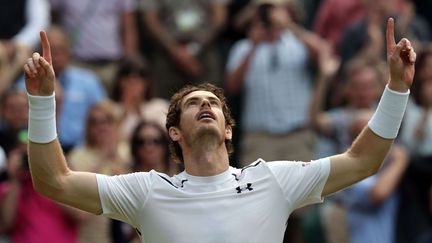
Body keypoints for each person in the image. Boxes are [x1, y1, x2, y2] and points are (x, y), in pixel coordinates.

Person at [23, 18, 415, 242]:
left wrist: (396, 88)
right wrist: (42, 101)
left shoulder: (273, 179)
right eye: (193, 104)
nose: (205, 105)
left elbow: (364, 160)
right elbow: (54, 180)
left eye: (212, 103)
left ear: (229, 130)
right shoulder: (146, 190)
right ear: (174, 133)